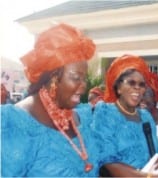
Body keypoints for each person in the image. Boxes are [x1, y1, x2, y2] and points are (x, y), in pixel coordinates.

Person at [1, 23, 104, 176]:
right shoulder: (15, 122)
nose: (84, 86)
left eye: (85, 79)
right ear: (53, 78)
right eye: (76, 78)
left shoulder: (83, 117)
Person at [92, 54, 158, 177]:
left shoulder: (146, 117)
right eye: (131, 83)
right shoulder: (105, 112)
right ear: (118, 88)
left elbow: (154, 154)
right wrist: (148, 177)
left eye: (141, 84)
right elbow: (108, 162)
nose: (137, 88)